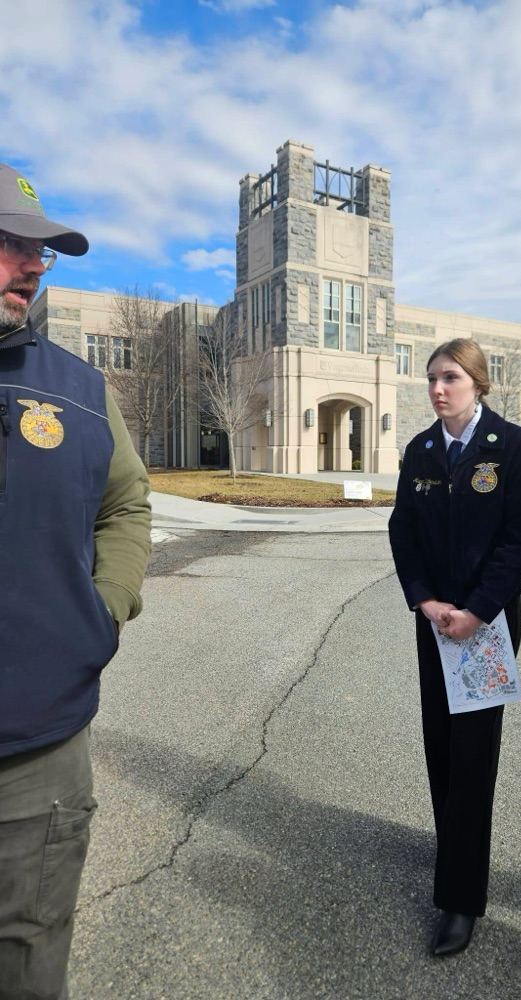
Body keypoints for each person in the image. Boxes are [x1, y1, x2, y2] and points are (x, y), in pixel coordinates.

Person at [0, 164, 152, 1000]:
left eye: (42, 251)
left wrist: (101, 613)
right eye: (13, 244)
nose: (35, 266)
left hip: (34, 757)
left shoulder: (83, 393)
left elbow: (126, 504)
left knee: (26, 962)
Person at [388, 338, 521, 956]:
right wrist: (425, 600)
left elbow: (518, 537)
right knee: (440, 741)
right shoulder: (421, 450)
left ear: (478, 382)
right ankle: (453, 842)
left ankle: (459, 897)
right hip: (436, 621)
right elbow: (404, 530)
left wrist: (477, 610)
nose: (437, 388)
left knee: (474, 754)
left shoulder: (510, 447)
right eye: (431, 378)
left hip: (486, 625)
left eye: (450, 377)